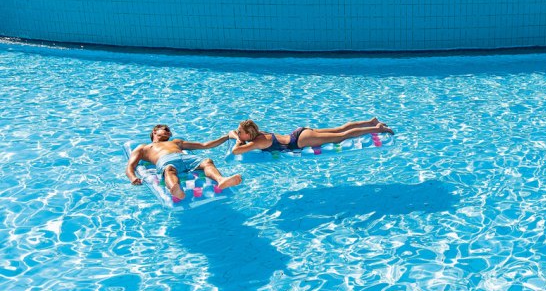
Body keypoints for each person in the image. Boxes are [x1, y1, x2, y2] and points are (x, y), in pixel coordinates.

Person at [126, 124, 241, 201]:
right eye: (166, 129)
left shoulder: (175, 142)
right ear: (155, 131)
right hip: (165, 160)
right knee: (169, 169)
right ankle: (175, 189)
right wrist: (132, 178)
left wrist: (227, 136)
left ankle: (221, 180)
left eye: (170, 132)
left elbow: (205, 145)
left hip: (185, 157)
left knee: (207, 161)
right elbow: (130, 166)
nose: (169, 133)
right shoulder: (143, 147)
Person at [228, 117, 393, 156]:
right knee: (339, 129)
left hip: (301, 141)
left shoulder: (256, 142)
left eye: (240, 131)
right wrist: (240, 136)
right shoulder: (260, 133)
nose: (238, 133)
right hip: (299, 132)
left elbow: (235, 151)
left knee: (341, 136)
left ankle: (377, 129)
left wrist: (238, 140)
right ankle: (371, 121)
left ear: (248, 134)